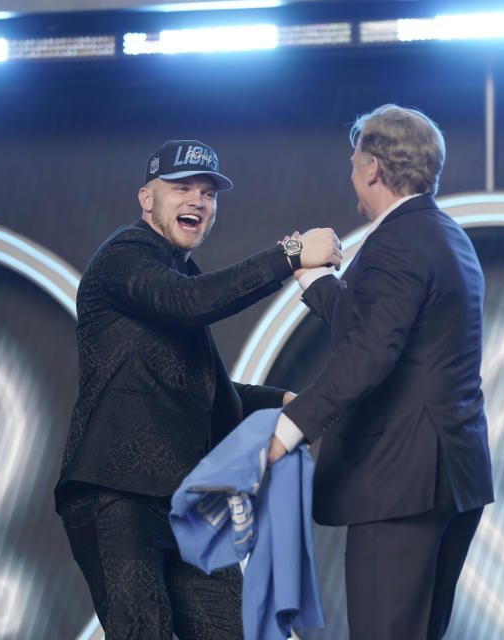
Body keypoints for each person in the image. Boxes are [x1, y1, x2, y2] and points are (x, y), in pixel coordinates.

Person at [54, 139, 341, 639]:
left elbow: (207, 389)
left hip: (184, 502)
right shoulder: (124, 256)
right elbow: (191, 303)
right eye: (181, 187)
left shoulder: (182, 273)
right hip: (116, 494)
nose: (198, 201)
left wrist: (283, 405)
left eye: (207, 193)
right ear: (146, 198)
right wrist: (290, 254)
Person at [270, 105, 494, 640]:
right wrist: (316, 282)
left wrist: (288, 428)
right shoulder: (445, 236)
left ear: (372, 167)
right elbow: (381, 330)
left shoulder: (394, 241)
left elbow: (370, 355)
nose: (352, 173)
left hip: (402, 484)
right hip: (452, 480)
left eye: (353, 163)